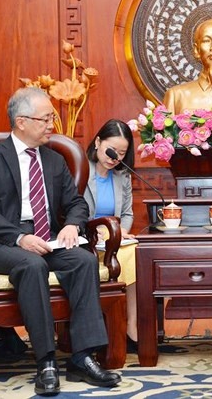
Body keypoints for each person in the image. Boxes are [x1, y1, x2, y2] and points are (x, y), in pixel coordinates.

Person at [0, 87, 121, 395]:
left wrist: (73, 226)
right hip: (0, 243)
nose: (52, 124)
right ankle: (46, 361)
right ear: (22, 121)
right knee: (31, 264)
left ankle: (82, 357)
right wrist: (19, 237)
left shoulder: (52, 160)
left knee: (84, 260)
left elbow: (76, 203)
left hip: (47, 238)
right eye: (46, 118)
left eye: (52, 117)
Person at [84, 119, 138, 350]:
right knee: (128, 257)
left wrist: (121, 231)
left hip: (113, 240)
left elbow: (127, 213)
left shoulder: (122, 176)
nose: (114, 156)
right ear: (98, 142)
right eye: (111, 149)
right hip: (85, 240)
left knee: (137, 253)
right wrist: (96, 231)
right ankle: (110, 327)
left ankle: (132, 326)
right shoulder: (79, 169)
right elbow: (68, 210)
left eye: (122, 152)